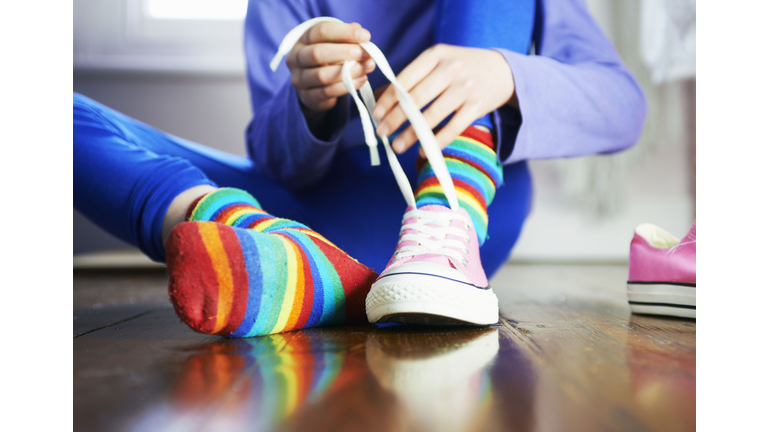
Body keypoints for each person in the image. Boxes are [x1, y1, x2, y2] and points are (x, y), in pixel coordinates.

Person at [73, 0, 646, 337]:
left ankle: (443, 208)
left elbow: (625, 106)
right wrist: (308, 101)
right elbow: (275, 163)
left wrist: (504, 74)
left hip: (455, 219)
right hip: (306, 211)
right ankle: (274, 249)